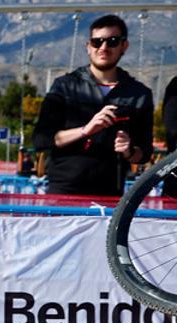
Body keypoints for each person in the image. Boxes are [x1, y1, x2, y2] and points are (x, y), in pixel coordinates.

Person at [33, 14, 152, 197]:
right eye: (97, 42)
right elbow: (42, 140)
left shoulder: (139, 94)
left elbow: (144, 153)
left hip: (111, 194)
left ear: (124, 46)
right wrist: (85, 130)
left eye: (112, 41)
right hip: (63, 192)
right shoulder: (64, 86)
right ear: (88, 47)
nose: (103, 48)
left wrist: (129, 151)